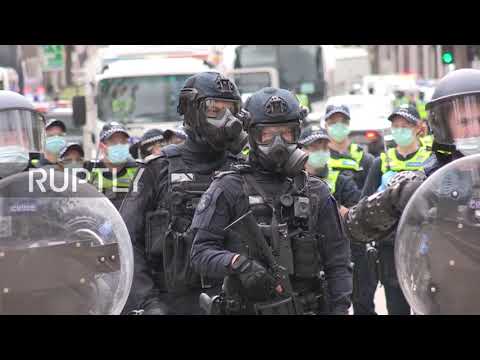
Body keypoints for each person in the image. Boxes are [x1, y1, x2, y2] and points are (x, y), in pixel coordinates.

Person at [190, 87, 352, 315]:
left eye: (286, 133)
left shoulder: (316, 191)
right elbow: (200, 253)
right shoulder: (228, 187)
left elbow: (338, 263)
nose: (278, 143)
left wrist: (340, 310)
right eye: (268, 135)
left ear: (298, 134)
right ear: (252, 136)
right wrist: (238, 263)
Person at [119, 71, 248, 315]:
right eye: (214, 109)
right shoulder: (157, 169)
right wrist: (148, 303)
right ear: (191, 111)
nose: (226, 119)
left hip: (234, 301)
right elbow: (126, 243)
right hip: (171, 303)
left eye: (230, 110)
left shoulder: (243, 169)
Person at [0, 90, 133, 314]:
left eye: (20, 135)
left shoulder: (45, 182)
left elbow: (69, 227)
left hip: (46, 293)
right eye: (5, 135)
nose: (13, 142)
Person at [360, 105, 431, 315]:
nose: (399, 130)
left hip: (424, 245)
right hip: (391, 246)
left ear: (418, 128)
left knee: (426, 303)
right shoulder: (382, 162)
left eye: (405, 125)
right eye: (396, 126)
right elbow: (365, 203)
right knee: (396, 306)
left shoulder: (431, 159)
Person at [323, 104, 377, 315]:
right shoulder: (318, 157)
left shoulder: (365, 159)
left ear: (349, 124)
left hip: (359, 238)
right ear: (326, 125)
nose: (338, 126)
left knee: (364, 299)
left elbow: (371, 197)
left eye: (342, 122)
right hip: (330, 239)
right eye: (333, 122)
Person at [87, 122, 137, 210]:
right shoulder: (90, 171)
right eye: (113, 142)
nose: (119, 146)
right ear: (102, 146)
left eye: (123, 142)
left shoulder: (137, 170)